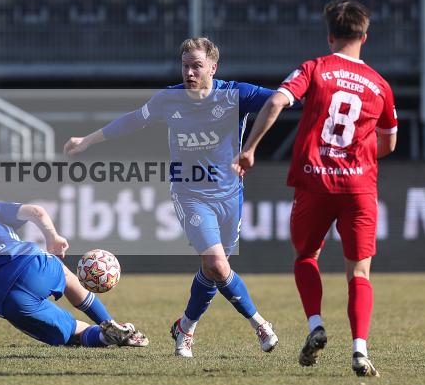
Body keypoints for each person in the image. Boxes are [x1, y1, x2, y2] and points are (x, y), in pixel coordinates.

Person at [65, 37, 291, 358]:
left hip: (230, 195)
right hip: (189, 192)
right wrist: (87, 140)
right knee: (216, 263)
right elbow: (132, 120)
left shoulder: (235, 94)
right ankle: (260, 324)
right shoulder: (168, 100)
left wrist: (319, 97)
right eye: (185, 66)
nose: (190, 72)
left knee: (213, 271)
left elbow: (280, 101)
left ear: (213, 67)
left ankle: (185, 327)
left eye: (197, 66)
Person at [232, 0, 398, 377]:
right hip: (358, 187)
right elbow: (388, 144)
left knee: (306, 256)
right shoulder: (380, 85)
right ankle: (360, 349)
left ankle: (315, 325)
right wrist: (355, 152)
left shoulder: (316, 69)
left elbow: (276, 100)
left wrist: (250, 149)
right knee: (359, 273)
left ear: (330, 35)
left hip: (314, 180)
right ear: (364, 37)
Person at [0, 198, 149, 349]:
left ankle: (104, 337)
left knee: (72, 334)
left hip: (10, 301)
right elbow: (37, 211)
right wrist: (52, 237)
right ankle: (108, 323)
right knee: (66, 275)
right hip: (34, 266)